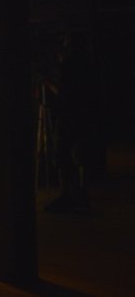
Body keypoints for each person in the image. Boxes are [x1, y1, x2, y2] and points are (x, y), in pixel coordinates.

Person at [44, 31, 93, 213]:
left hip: (67, 114)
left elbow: (62, 90)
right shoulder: (87, 63)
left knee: (63, 153)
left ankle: (65, 194)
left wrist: (47, 81)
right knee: (81, 154)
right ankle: (82, 193)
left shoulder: (69, 64)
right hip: (84, 113)